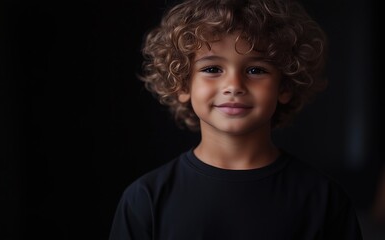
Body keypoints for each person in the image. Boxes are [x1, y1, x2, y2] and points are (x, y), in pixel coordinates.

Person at [109, 0, 363, 239]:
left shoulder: (324, 200)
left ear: (284, 86)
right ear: (183, 85)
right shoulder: (146, 199)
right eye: (212, 69)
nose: (233, 85)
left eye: (255, 70)